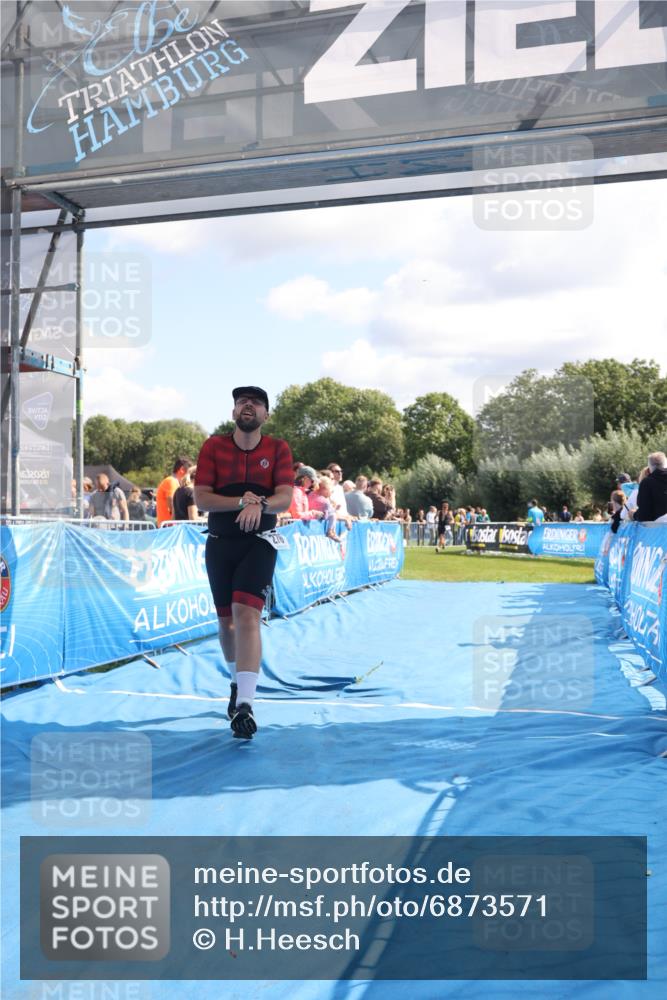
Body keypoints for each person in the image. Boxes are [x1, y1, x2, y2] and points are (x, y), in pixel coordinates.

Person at [194, 386, 294, 740]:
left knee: (246, 613)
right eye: (240, 401)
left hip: (260, 543)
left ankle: (246, 706)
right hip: (220, 543)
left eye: (255, 402)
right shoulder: (213, 446)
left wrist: (260, 505)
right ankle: (237, 683)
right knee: (226, 623)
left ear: (266, 415)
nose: (247, 405)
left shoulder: (278, 448)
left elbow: (284, 498)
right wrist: (241, 501)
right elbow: (202, 497)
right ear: (234, 412)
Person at [156, 456, 192, 526]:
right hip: (168, 527)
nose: (190, 476)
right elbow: (173, 505)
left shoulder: (173, 481)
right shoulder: (171, 481)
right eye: (189, 473)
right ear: (182, 470)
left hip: (169, 526)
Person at [635, 452, 667, 522]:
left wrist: (634, 515)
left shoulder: (647, 483)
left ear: (649, 467)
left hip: (659, 529)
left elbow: (644, 515)